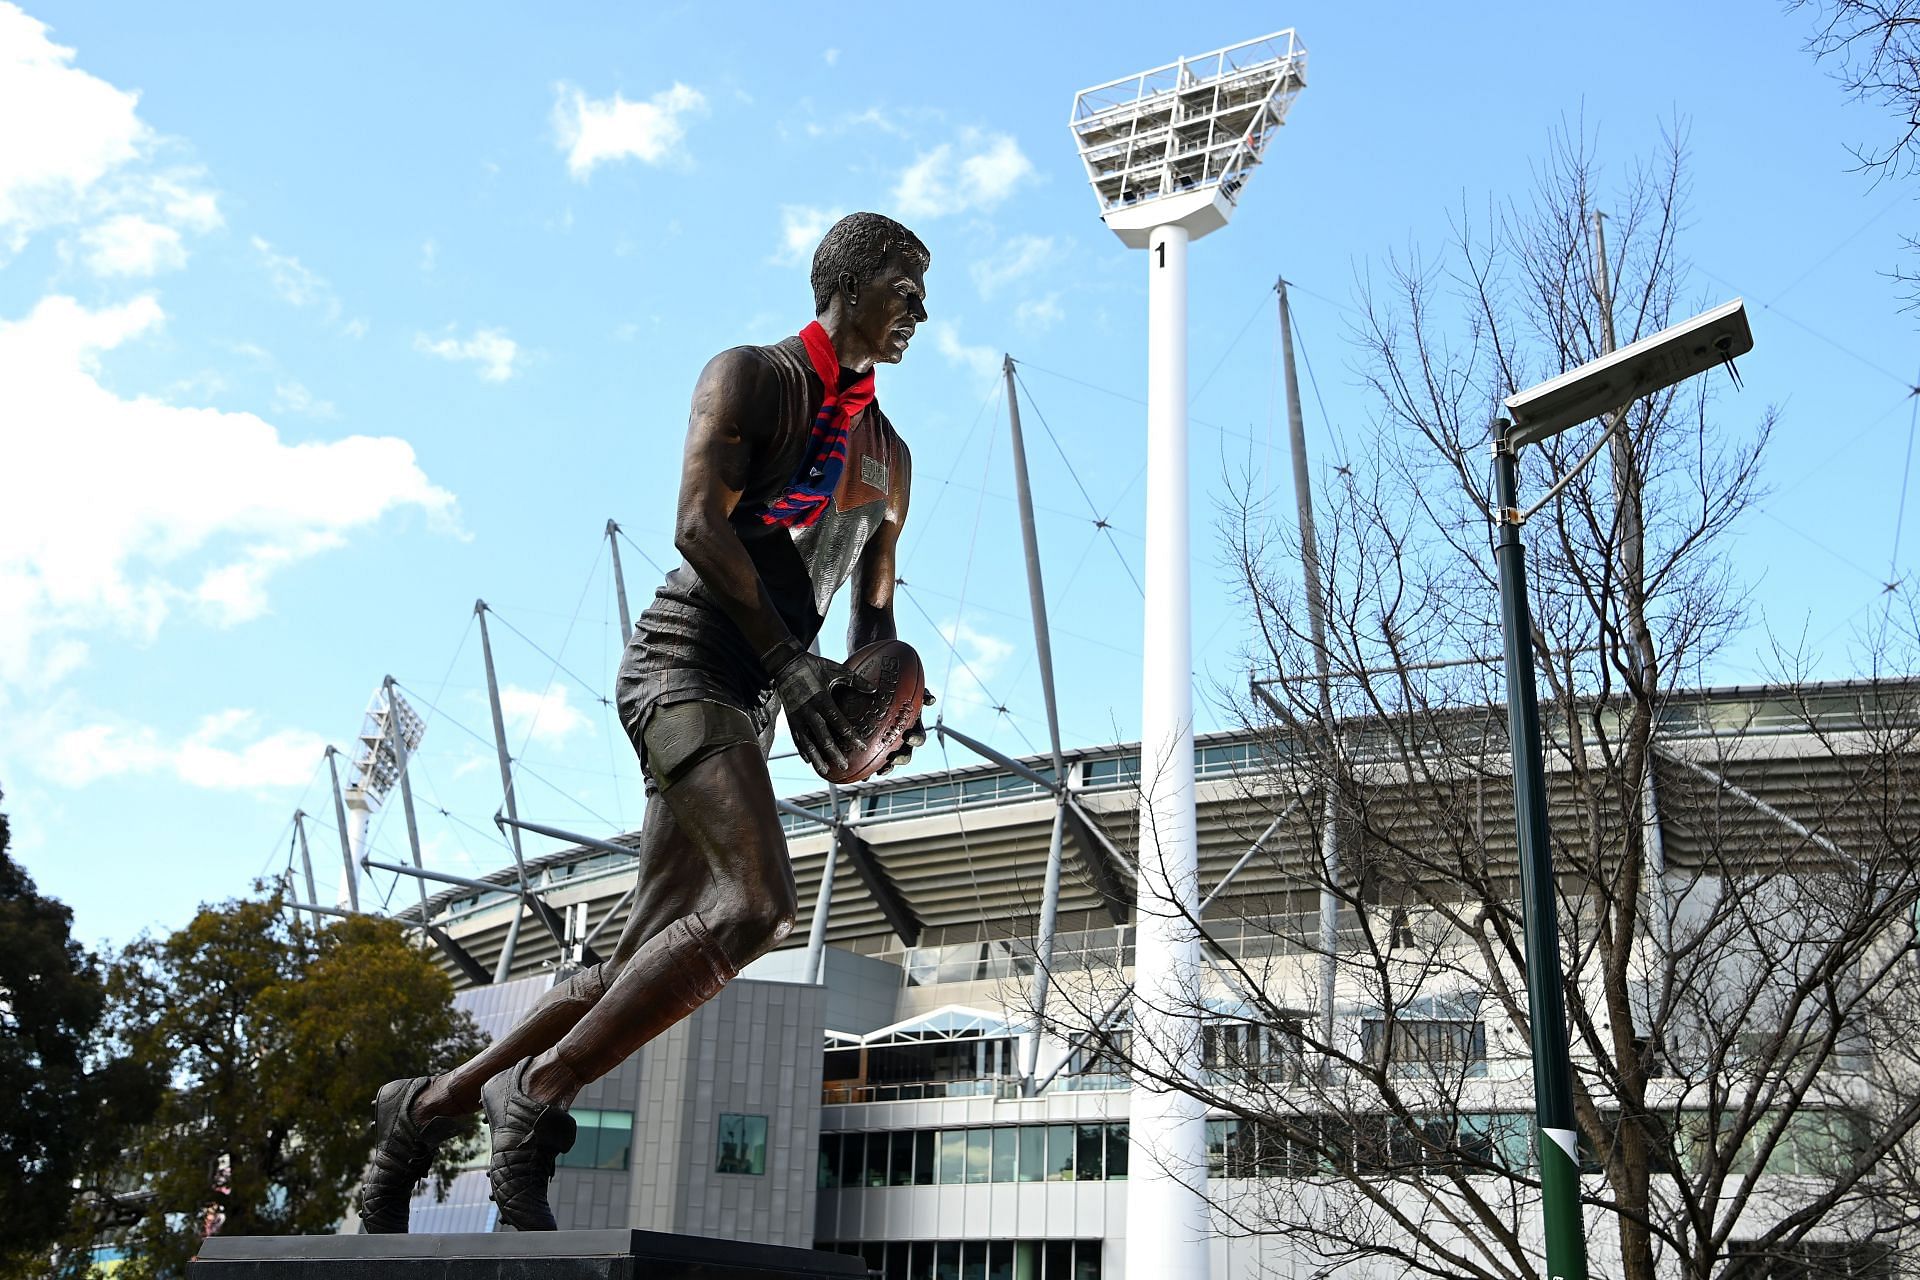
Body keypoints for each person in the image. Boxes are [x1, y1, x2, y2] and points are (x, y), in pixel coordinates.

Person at [355, 212, 933, 1232]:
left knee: (636, 957)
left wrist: (884, 709)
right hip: (681, 665)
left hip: (752, 690)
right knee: (756, 904)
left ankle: (423, 1109)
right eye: (904, 282)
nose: (921, 308)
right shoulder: (751, 377)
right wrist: (788, 661)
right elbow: (698, 522)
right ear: (845, 281)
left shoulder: (891, 457)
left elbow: (873, 620)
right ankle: (535, 1094)